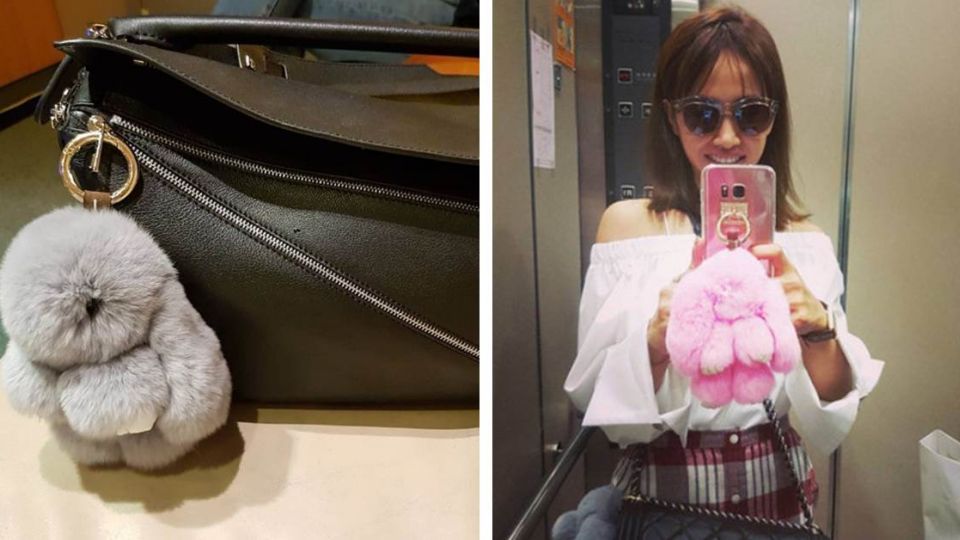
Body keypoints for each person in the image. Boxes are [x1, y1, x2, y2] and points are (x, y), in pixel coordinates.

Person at [560, 5, 884, 531]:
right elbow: (592, 397)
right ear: (672, 118)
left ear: (774, 119)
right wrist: (656, 341)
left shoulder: (805, 245)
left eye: (751, 113)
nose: (729, 137)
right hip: (661, 502)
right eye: (702, 114)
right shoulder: (627, 231)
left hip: (777, 498)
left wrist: (817, 330)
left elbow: (832, 403)